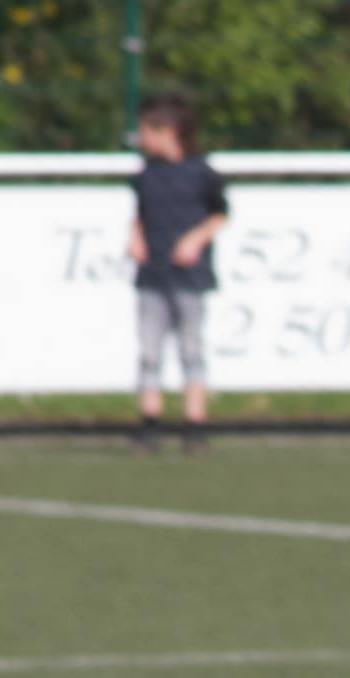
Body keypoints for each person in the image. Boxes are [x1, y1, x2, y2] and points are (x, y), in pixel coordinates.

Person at [128, 93, 228, 454]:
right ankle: (150, 424)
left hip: (189, 276)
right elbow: (140, 215)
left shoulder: (202, 174)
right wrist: (135, 237)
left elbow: (220, 214)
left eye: (146, 130)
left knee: (191, 349)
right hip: (152, 274)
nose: (141, 138)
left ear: (168, 131)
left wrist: (195, 239)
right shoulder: (146, 175)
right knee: (149, 352)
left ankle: (194, 425)